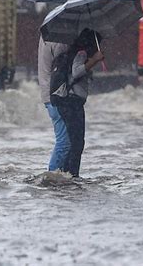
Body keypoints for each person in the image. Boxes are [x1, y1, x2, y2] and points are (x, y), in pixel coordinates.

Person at [55, 29, 104, 177]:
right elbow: (76, 72)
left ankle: (66, 174)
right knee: (77, 143)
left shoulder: (76, 52)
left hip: (71, 102)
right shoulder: (81, 53)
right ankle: (70, 175)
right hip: (72, 102)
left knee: (75, 142)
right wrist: (94, 60)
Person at [38, 36, 71, 171]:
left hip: (48, 93)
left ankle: (60, 176)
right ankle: (52, 176)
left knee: (64, 140)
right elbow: (63, 64)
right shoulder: (58, 41)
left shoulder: (45, 37)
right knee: (64, 142)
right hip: (55, 94)